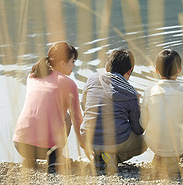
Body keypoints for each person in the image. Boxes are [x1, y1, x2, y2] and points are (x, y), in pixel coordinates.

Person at [13, 42, 85, 171]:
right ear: (62, 63)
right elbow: (77, 118)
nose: (74, 65)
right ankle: (54, 157)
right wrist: (83, 144)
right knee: (67, 117)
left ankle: (30, 159)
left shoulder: (33, 76)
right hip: (45, 148)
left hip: (20, 145)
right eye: (73, 61)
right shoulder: (68, 83)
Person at [81, 49, 146, 170]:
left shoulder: (92, 79)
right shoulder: (130, 93)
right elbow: (138, 129)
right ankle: (110, 156)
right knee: (145, 142)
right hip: (116, 140)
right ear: (130, 70)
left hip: (87, 136)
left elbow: (84, 105)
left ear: (107, 67)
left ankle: (99, 156)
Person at [140, 49, 183, 174]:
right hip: (180, 146)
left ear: (156, 69)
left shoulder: (149, 92)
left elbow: (143, 124)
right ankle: (172, 159)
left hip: (153, 144)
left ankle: (160, 156)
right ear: (179, 69)